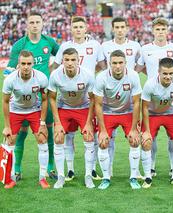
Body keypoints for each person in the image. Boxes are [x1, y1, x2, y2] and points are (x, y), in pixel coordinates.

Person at [3, 11, 60, 181]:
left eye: (38, 22)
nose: (35, 25)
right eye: (32, 22)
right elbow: (9, 69)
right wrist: (9, 77)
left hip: (44, 96)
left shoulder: (49, 42)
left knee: (47, 131)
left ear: (43, 24)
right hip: (23, 98)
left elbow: (63, 54)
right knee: (20, 134)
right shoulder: (19, 45)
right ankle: (17, 170)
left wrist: (53, 70)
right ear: (27, 25)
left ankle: (50, 168)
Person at [52, 16, 106, 181]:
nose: (78, 29)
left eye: (80, 27)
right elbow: (55, 66)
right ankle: (70, 170)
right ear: (71, 29)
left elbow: (103, 66)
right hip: (68, 96)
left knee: (92, 134)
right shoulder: (65, 46)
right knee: (68, 136)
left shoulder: (95, 45)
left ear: (86, 28)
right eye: (75, 27)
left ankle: (93, 169)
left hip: (88, 95)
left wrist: (89, 75)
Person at [135, 17, 173, 177]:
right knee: (150, 138)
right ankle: (152, 167)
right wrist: (151, 77)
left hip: (170, 101)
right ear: (153, 31)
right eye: (157, 29)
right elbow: (138, 68)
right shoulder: (145, 48)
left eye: (163, 29)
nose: (160, 32)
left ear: (167, 30)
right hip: (152, 99)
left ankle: (172, 168)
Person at [93, 50, 142, 190]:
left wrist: (133, 129)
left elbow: (137, 102)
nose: (118, 66)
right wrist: (102, 130)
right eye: (114, 63)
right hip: (108, 113)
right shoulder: (101, 77)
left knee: (134, 140)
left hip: (127, 112)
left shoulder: (133, 76)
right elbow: (98, 104)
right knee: (102, 142)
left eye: (121, 63)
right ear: (109, 64)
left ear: (125, 63)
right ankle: (106, 177)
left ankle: (133, 176)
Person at [48, 48, 96, 189]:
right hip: (64, 108)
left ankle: (88, 176)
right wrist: (57, 123)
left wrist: (88, 122)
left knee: (88, 136)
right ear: (62, 61)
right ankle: (61, 177)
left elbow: (93, 99)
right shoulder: (55, 75)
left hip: (83, 108)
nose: (69, 63)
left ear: (78, 60)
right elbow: (51, 98)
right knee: (58, 137)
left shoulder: (87, 75)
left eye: (73, 60)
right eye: (66, 60)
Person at [2, 50, 50, 189]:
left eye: (29, 63)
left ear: (33, 64)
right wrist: (6, 126)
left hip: (34, 111)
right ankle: (11, 178)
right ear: (19, 63)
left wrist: (42, 122)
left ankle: (42, 178)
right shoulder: (10, 79)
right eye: (23, 63)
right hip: (15, 111)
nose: (26, 66)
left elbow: (45, 99)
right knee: (10, 141)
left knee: (42, 139)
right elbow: (5, 102)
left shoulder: (41, 78)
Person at [101, 17, 142, 178]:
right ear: (112, 29)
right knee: (109, 138)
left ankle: (136, 170)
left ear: (127, 28)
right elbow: (102, 65)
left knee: (133, 136)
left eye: (122, 27)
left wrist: (133, 77)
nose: (119, 30)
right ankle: (108, 169)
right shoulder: (105, 46)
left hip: (129, 94)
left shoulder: (135, 46)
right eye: (116, 27)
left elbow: (140, 63)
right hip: (111, 95)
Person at [141, 58, 173, 188]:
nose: (168, 77)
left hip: (170, 113)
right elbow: (144, 107)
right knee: (146, 141)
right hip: (152, 114)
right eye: (165, 74)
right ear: (159, 72)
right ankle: (148, 177)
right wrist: (147, 132)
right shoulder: (150, 84)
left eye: (171, 74)